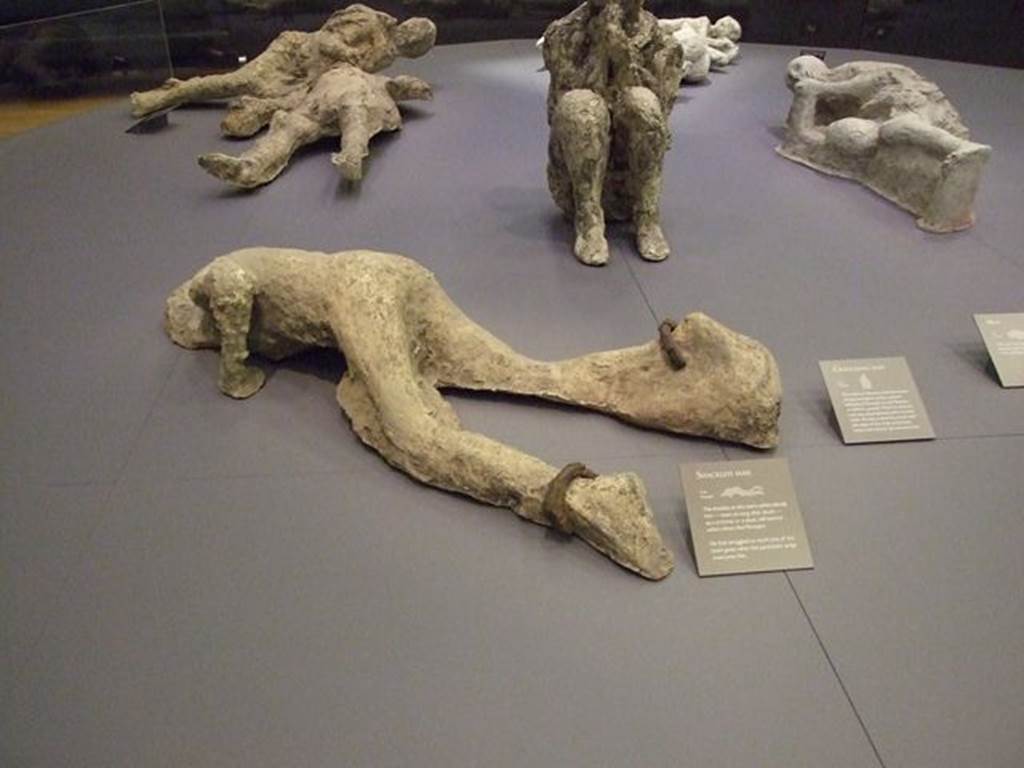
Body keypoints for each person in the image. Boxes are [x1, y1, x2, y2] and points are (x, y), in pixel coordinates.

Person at [542, 0, 684, 266]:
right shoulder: (563, 34)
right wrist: (599, 52)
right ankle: (589, 220)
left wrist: (623, 59)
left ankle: (647, 216)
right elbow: (561, 109)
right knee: (583, 106)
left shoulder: (663, 44)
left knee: (642, 103)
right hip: (574, 184)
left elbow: (659, 119)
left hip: (629, 181)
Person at [129, 5, 436, 119]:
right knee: (235, 82)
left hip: (305, 79)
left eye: (415, 47)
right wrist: (347, 54)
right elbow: (324, 40)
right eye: (413, 37)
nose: (409, 44)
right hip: (293, 55)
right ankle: (165, 96)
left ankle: (244, 113)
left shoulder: (387, 55)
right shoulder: (368, 20)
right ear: (407, 27)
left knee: (284, 105)